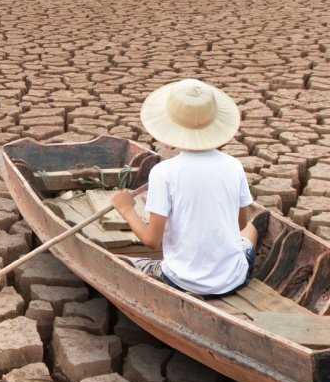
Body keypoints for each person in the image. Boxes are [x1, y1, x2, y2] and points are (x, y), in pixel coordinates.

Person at [110, 78, 259, 298]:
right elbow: (241, 225)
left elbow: (152, 241)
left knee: (125, 262)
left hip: (181, 282)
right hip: (233, 279)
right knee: (251, 230)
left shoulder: (164, 172)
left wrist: (126, 210)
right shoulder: (233, 165)